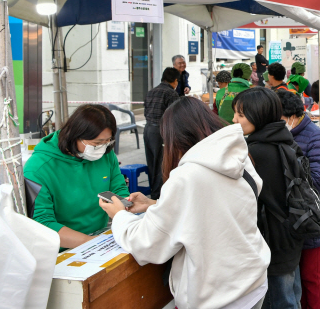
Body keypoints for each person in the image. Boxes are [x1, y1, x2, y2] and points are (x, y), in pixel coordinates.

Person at [100, 97, 270, 309]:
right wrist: (154, 204)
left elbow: (148, 243)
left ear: (175, 138)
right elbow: (213, 207)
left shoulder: (187, 176)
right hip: (252, 280)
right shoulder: (236, 157)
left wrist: (119, 215)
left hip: (218, 296)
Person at [233, 88, 305, 309]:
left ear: (260, 115)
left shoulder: (256, 152)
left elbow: (246, 201)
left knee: (280, 300)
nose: (234, 119)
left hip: (270, 240)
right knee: (292, 294)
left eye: (240, 115)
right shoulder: (285, 141)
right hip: (291, 233)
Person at [24, 104, 129, 249]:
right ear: (75, 135)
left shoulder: (105, 152)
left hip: (100, 236)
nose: (102, 148)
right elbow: (43, 223)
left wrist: (127, 207)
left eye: (107, 141)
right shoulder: (38, 169)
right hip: (60, 249)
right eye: (96, 143)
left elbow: (118, 189)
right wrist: (91, 243)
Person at [276, 91, 320, 309]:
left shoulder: (315, 135)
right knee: (297, 276)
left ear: (293, 116)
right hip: (292, 217)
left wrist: (288, 179)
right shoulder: (282, 134)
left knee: (312, 275)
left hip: (312, 217)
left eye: (281, 120)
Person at [143, 67, 180, 199]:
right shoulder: (171, 94)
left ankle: (154, 191)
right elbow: (174, 117)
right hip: (160, 131)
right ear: (175, 80)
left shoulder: (151, 92)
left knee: (152, 162)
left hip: (147, 129)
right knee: (161, 164)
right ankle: (157, 196)